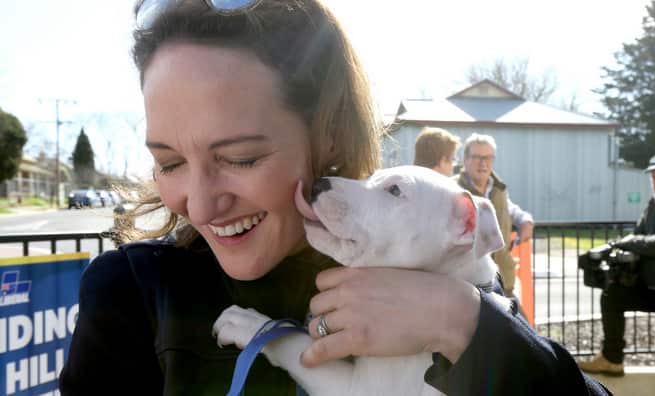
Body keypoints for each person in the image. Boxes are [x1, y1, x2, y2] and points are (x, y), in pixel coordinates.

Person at [59, 1, 610, 394]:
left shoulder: (432, 265)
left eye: (241, 158)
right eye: (170, 163)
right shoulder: (131, 293)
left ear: (326, 132)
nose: (200, 206)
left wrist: (464, 323)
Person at [579, 152, 655, 394]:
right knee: (613, 295)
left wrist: (629, 242)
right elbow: (638, 235)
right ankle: (612, 357)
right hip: (654, 290)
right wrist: (612, 251)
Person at [453, 133, 534, 298]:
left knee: (522, 324)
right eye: (477, 157)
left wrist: (526, 221)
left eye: (488, 157)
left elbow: (510, 209)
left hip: (504, 283)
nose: (483, 163)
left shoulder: (498, 189)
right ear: (465, 160)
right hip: (469, 288)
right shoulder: (452, 189)